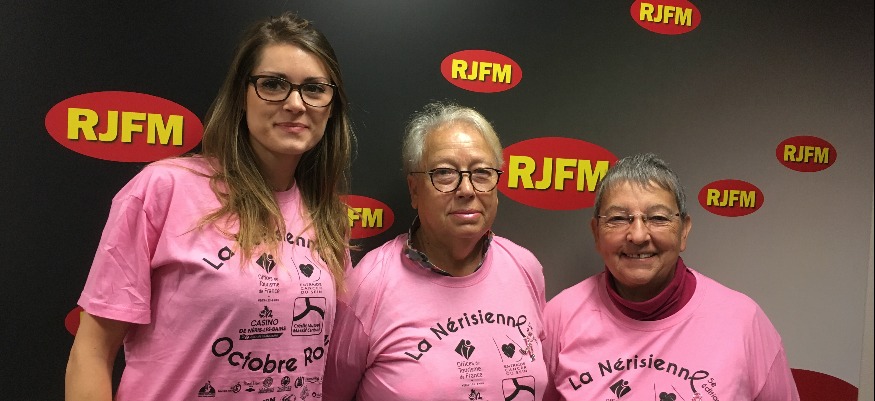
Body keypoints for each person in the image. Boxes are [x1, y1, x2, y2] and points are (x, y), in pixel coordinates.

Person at [65, 12, 354, 401]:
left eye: (314, 89)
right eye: (273, 84)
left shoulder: (329, 217)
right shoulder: (164, 189)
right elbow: (92, 351)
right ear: (241, 96)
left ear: (331, 107)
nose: (294, 103)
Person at [323, 101, 548, 401]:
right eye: (444, 173)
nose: (466, 190)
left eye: (482, 173)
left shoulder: (524, 267)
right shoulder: (370, 284)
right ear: (414, 190)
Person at [543, 153, 799, 401]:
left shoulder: (743, 321)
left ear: (683, 231)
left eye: (657, 218)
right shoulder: (560, 318)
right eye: (618, 219)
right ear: (596, 233)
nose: (638, 236)